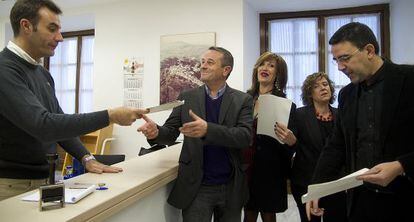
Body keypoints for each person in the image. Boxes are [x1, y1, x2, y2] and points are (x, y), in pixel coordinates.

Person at [0, 0, 148, 201]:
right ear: (26, 26)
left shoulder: (43, 75)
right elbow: (43, 125)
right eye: (52, 29)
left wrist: (86, 158)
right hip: (10, 185)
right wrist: (110, 116)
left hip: (45, 179)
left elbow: (58, 122)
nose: (60, 37)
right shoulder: (5, 70)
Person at [306, 22, 414, 222]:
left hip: (406, 198)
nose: (339, 67)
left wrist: (401, 165)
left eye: (345, 58)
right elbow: (336, 146)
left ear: (369, 50)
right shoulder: (347, 94)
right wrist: (317, 186)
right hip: (360, 201)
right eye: (336, 60)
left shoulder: (409, 79)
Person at [138, 46, 253, 222]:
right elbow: (169, 133)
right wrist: (155, 132)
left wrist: (208, 129)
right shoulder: (187, 97)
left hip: (230, 186)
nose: (203, 66)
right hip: (197, 186)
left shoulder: (242, 100)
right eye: (202, 62)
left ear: (226, 70)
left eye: (210, 62)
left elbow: (245, 137)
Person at [244, 52, 296, 222]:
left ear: (278, 74)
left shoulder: (286, 105)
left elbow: (293, 143)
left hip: (271, 170)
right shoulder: (244, 99)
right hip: (246, 168)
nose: (265, 68)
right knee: (248, 214)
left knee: (268, 215)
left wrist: (290, 141)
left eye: (271, 65)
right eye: (262, 64)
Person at [290, 72, 347, 222]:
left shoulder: (341, 114)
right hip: (305, 181)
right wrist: (291, 141)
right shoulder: (299, 115)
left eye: (325, 84)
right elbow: (292, 147)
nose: (323, 88)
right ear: (309, 93)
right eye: (316, 86)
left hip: (336, 182)